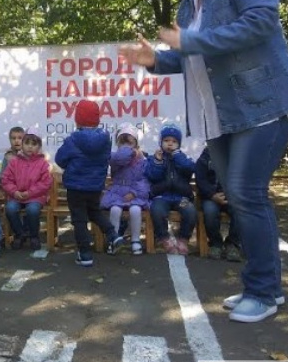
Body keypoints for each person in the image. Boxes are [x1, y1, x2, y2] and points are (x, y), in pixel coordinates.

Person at [119, 0, 288, 322]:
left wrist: (189, 40)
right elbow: (193, 56)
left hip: (264, 105)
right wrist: (156, 61)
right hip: (219, 116)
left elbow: (259, 23)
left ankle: (262, 290)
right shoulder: (190, 1)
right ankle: (266, 288)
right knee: (244, 199)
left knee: (245, 194)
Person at [54, 100, 122, 267]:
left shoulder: (73, 140)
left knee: (79, 219)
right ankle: (112, 234)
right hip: (95, 186)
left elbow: (60, 160)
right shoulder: (106, 139)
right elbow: (106, 159)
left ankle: (85, 254)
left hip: (75, 186)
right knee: (94, 212)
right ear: (97, 119)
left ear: (77, 119)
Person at [146, 124, 197, 256]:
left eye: (174, 141)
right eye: (167, 140)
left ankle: (183, 239)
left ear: (179, 144)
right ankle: (164, 238)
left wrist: (177, 155)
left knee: (190, 210)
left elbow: (189, 168)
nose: (170, 144)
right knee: (156, 210)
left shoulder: (183, 158)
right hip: (162, 197)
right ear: (161, 142)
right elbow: (152, 176)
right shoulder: (154, 158)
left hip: (182, 198)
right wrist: (158, 161)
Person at [101, 123, 150, 256]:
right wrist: (130, 151)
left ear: (136, 143)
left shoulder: (142, 160)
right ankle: (114, 239)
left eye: (130, 142)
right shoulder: (116, 158)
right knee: (115, 210)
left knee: (135, 210)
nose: (126, 146)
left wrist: (134, 193)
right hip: (117, 193)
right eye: (123, 142)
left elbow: (143, 180)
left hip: (135, 194)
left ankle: (135, 240)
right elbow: (120, 157)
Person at [1, 128, 52, 251]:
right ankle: (20, 234)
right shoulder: (14, 162)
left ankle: (34, 236)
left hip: (35, 197)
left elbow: (45, 183)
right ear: (22, 145)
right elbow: (6, 180)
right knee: (10, 209)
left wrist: (30, 192)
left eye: (34, 144)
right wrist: (14, 192)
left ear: (39, 147)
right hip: (17, 195)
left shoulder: (42, 163)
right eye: (27, 143)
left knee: (33, 210)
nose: (30, 147)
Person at [195, 146, 241, 262]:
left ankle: (232, 244)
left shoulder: (238, 154)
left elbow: (242, 178)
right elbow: (200, 179)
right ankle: (216, 244)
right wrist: (212, 195)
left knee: (240, 211)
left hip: (231, 196)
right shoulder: (206, 155)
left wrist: (231, 194)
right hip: (211, 197)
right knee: (210, 212)